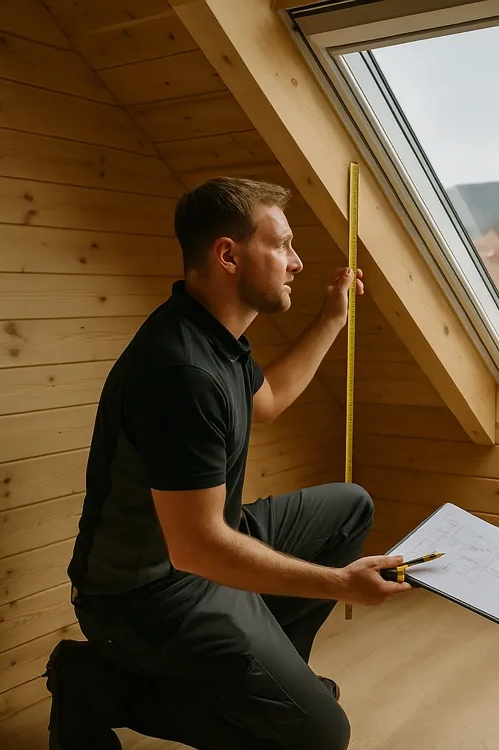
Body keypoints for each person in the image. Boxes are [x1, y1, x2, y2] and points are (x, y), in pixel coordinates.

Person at [44, 177, 412, 750]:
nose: (296, 262)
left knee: (349, 507)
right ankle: (95, 683)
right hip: (145, 596)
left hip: (200, 546)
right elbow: (198, 550)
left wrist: (332, 319)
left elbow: (266, 403)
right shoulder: (182, 372)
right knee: (320, 736)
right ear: (228, 255)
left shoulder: (215, 335)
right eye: (282, 245)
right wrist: (339, 585)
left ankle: (269, 684)